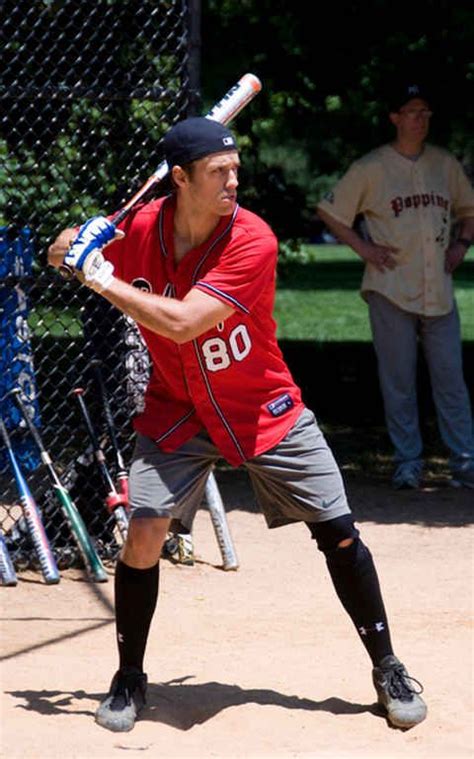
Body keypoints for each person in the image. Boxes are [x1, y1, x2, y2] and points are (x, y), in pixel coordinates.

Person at [48, 116, 427, 733]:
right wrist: (78, 241)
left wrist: (101, 277)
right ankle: (129, 677)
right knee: (143, 535)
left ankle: (388, 666)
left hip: (260, 408)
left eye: (235, 169)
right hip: (175, 408)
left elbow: (180, 323)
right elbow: (57, 250)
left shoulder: (251, 239)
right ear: (179, 179)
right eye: (219, 172)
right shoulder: (140, 228)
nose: (234, 180)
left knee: (339, 532)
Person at [317, 82, 474, 490]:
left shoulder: (444, 164)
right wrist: (363, 248)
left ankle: (465, 462)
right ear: (395, 118)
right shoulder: (371, 167)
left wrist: (461, 244)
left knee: (451, 380)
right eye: (412, 111)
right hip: (389, 286)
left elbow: (469, 209)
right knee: (398, 380)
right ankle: (408, 462)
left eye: (426, 112)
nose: (421, 119)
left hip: (437, 288)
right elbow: (331, 211)